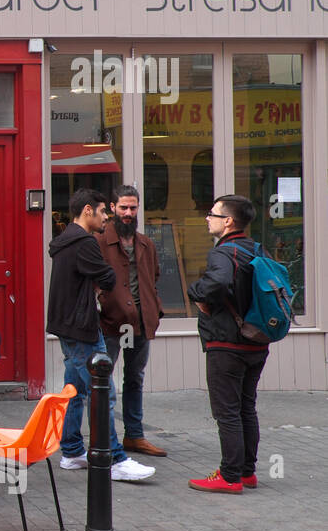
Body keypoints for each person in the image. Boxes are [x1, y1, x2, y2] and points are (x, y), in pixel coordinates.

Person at [48, 188, 155, 481]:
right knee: (102, 391)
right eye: (102, 211)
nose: (106, 217)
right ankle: (115, 459)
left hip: (66, 324)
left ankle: (70, 451)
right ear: (87, 211)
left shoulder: (64, 240)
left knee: (74, 390)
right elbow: (108, 277)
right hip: (82, 326)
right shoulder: (85, 242)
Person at [186, 195, 267, 493]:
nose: (208, 218)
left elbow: (217, 283)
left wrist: (196, 292)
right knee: (247, 407)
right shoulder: (257, 249)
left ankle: (230, 476)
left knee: (227, 412)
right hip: (256, 342)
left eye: (212, 214)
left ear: (228, 221)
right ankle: (247, 472)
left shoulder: (222, 253)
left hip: (227, 344)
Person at [97, 185, 167, 457]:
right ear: (112, 208)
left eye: (133, 208)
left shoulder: (146, 243)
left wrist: (155, 308)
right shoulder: (100, 241)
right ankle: (106, 439)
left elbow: (154, 278)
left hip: (140, 321)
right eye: (123, 207)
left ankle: (134, 436)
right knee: (104, 382)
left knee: (135, 378)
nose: (128, 213)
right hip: (111, 322)